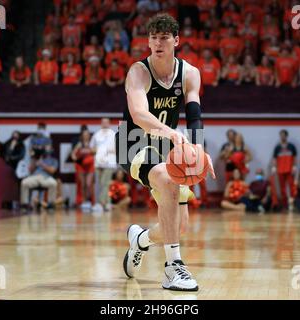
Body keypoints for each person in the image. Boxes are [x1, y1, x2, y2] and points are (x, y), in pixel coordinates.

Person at [115, 13, 215, 292]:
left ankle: (141, 240)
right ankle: (174, 268)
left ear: (176, 41)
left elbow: (194, 116)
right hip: (132, 141)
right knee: (169, 183)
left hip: (163, 146)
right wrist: (171, 132)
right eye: (153, 38)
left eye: (164, 38)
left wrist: (199, 151)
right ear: (148, 41)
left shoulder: (190, 73)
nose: (158, 43)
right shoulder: (138, 71)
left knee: (176, 225)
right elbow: (139, 114)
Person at [20, 144, 58, 212]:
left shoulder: (54, 160)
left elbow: (52, 171)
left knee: (54, 183)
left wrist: (42, 164)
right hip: (35, 177)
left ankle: (51, 205)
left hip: (46, 177)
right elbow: (30, 171)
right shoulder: (35, 158)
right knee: (24, 183)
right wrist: (35, 162)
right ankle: (25, 204)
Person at [91, 118, 116, 212]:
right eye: (103, 122)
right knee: (100, 184)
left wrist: (107, 151)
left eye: (106, 122)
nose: (105, 124)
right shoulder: (97, 135)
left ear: (109, 124)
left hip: (109, 163)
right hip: (98, 163)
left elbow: (117, 149)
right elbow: (92, 148)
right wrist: (99, 151)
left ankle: (101, 203)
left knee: (105, 183)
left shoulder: (113, 134)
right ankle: (107, 203)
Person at [272, 129, 297, 210]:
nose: (282, 137)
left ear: (286, 136)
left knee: (292, 187)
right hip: (280, 170)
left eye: (284, 135)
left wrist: (294, 166)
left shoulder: (292, 146)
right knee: (282, 189)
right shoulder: (277, 148)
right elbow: (274, 159)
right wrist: (274, 167)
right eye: (281, 135)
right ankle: (284, 205)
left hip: (289, 170)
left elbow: (295, 157)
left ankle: (293, 204)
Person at [71, 129, 95, 210]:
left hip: (90, 166)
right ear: (82, 136)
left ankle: (91, 201)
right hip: (81, 166)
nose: (86, 136)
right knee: (83, 184)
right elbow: (73, 154)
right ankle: (84, 202)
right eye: (84, 134)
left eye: (87, 134)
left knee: (89, 184)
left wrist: (90, 150)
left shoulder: (92, 143)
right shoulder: (79, 144)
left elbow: (96, 151)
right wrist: (75, 159)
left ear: (89, 136)